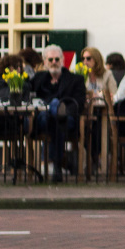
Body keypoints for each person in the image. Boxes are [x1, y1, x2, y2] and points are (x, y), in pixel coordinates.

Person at [30, 44, 86, 181]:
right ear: (44, 62)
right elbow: (28, 96)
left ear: (62, 60)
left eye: (56, 59)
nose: (54, 63)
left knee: (57, 115)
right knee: (51, 115)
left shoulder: (75, 80)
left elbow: (79, 103)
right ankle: (57, 167)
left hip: (68, 119)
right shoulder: (38, 79)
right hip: (43, 119)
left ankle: (57, 111)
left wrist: (65, 111)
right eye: (50, 60)